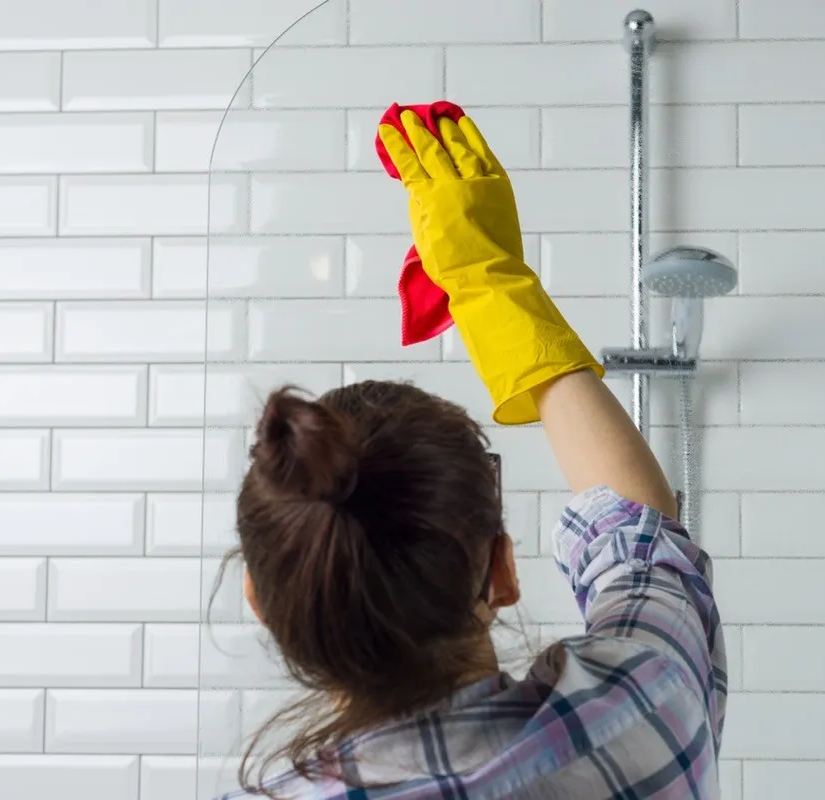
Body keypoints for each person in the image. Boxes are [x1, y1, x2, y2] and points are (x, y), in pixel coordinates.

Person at [222, 111, 727, 799]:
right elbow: (642, 541)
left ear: (263, 604)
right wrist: (494, 284)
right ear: (501, 569)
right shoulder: (642, 710)